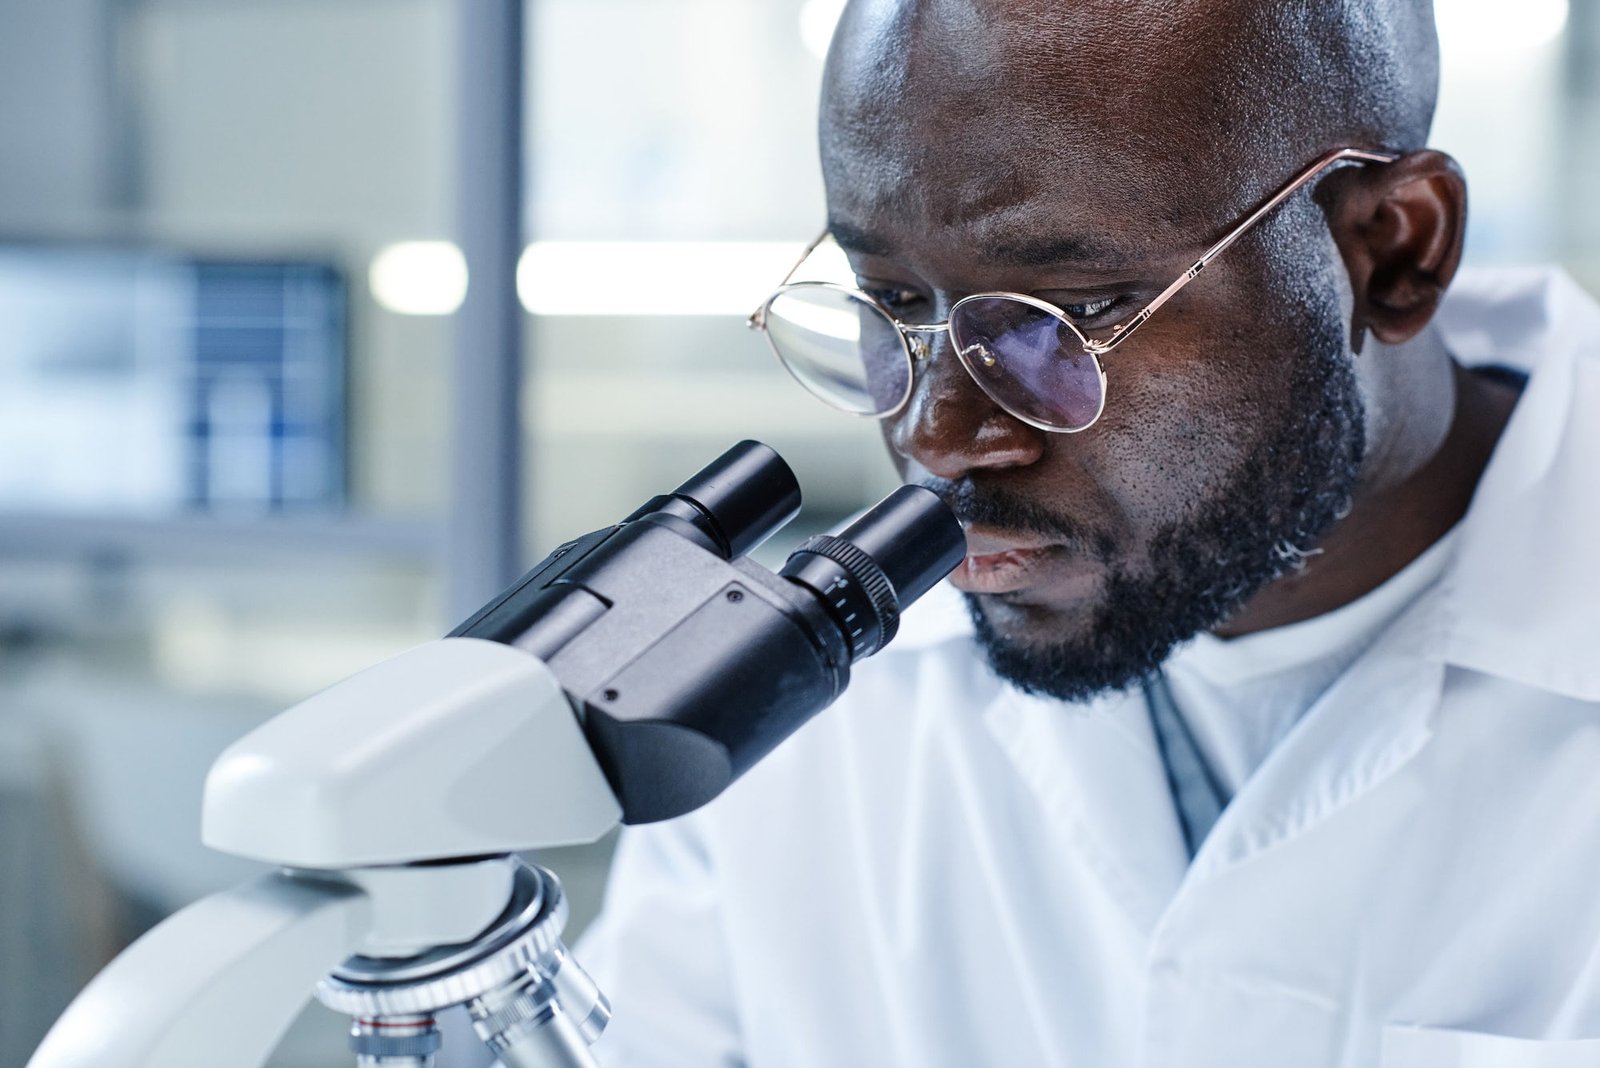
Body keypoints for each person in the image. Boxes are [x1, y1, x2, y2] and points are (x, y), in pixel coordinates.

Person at [579, 1, 1600, 1064]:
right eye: (889, 299)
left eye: (1063, 315)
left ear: (1392, 252)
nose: (937, 436)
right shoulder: (792, 727)